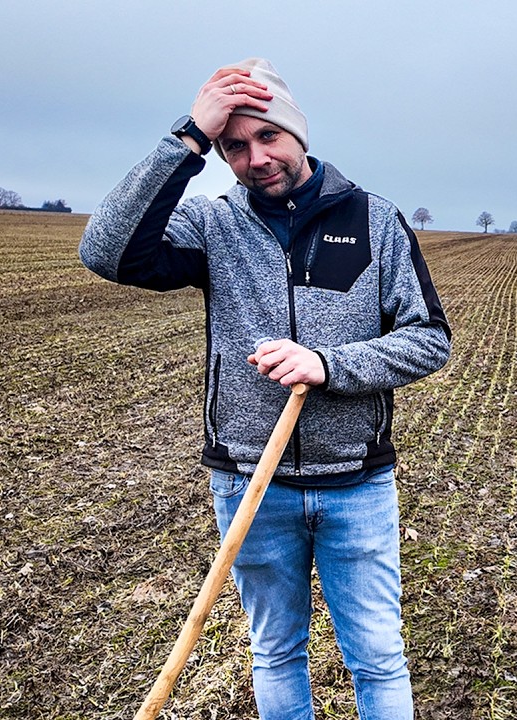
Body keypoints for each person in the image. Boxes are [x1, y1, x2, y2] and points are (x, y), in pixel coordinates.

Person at [79, 58, 451, 720]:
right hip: (250, 481)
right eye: (234, 146)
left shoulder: (374, 220)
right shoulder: (212, 225)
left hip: (355, 485)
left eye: (268, 137)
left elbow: (429, 340)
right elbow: (107, 252)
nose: (255, 158)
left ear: (297, 132)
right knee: (276, 652)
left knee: (376, 657)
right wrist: (187, 136)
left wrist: (329, 365)